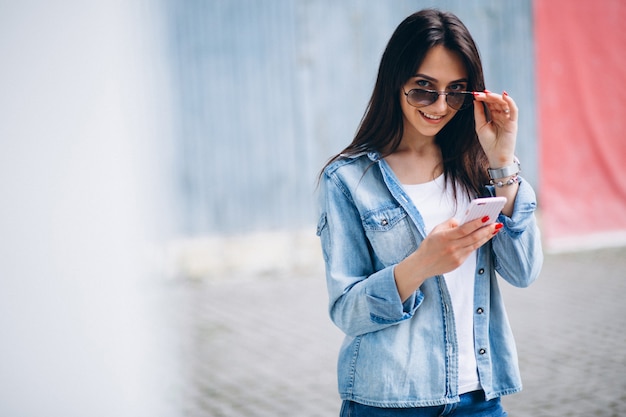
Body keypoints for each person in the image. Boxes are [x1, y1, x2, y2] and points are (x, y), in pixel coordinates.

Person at [316, 9, 543, 417]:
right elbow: (346, 310)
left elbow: (524, 271)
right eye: (424, 89)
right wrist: (420, 264)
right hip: (387, 400)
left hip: (478, 397)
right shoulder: (348, 180)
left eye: (455, 91)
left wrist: (503, 159)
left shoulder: (480, 168)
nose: (440, 106)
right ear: (395, 83)